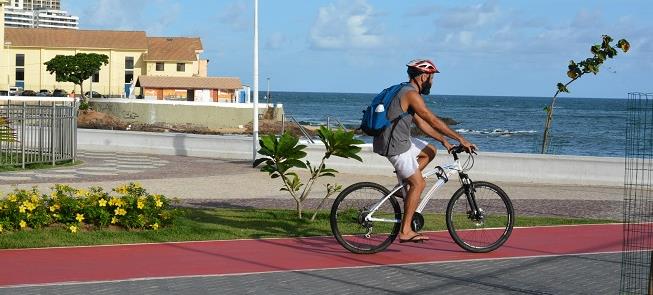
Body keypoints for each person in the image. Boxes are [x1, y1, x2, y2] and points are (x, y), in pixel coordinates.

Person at [372, 59, 477, 243]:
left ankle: (405, 185)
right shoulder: (411, 94)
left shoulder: (404, 90)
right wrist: (460, 139)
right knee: (419, 184)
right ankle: (405, 231)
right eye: (431, 77)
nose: (432, 82)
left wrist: (444, 141)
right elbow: (432, 119)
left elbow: (421, 123)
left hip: (397, 141)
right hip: (395, 145)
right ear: (423, 76)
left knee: (430, 150)